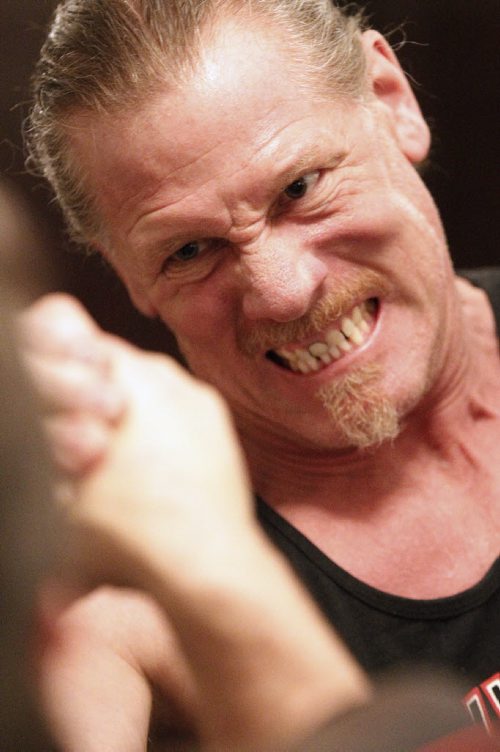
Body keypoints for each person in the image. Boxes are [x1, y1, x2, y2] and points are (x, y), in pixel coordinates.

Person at [19, 0, 500, 747]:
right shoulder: (133, 593)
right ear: (126, 274)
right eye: (189, 251)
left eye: (300, 187)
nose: (282, 290)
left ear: (390, 100)